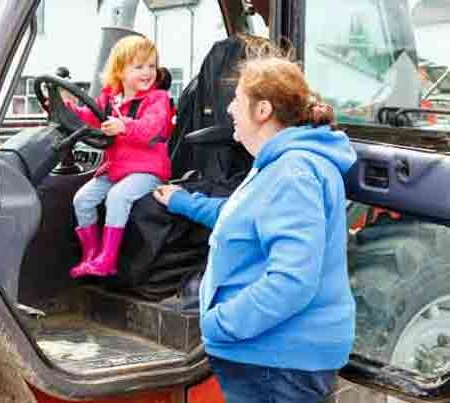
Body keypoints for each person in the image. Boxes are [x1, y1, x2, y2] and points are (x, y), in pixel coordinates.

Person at [153, 56, 357, 403]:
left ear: (262, 109)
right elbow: (242, 218)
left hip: (277, 361)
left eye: (236, 98)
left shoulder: (293, 173)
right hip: (270, 356)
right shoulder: (277, 165)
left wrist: (219, 324)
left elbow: (291, 281)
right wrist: (184, 202)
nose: (230, 108)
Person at [67, 35, 173, 279]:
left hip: (148, 171)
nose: (148, 72)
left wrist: (124, 126)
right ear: (120, 72)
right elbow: (89, 117)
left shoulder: (158, 99)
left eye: (152, 66)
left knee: (117, 197)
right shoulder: (109, 98)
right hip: (115, 169)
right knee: (81, 200)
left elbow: (152, 128)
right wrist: (67, 108)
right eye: (139, 66)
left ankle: (108, 259)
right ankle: (91, 254)